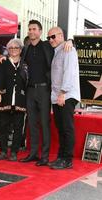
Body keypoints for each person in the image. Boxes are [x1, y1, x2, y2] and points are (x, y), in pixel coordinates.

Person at [20, 20, 73, 166]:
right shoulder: (25, 49)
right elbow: (15, 56)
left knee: (44, 123)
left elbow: (62, 44)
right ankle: (33, 154)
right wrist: (4, 58)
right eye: (29, 29)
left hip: (44, 90)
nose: (31, 31)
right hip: (30, 90)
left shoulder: (47, 46)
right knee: (32, 123)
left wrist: (71, 40)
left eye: (34, 29)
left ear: (40, 31)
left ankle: (44, 157)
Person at [47, 27, 80, 169]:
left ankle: (67, 159)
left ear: (61, 36)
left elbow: (69, 72)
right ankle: (61, 157)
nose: (50, 40)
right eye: (49, 38)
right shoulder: (56, 51)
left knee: (67, 128)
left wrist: (63, 93)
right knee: (60, 128)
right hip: (57, 97)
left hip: (66, 95)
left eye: (53, 36)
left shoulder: (68, 49)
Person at [0, 38, 28, 161]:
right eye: (11, 48)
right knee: (3, 126)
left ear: (20, 50)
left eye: (16, 47)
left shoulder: (25, 64)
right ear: (8, 50)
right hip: (5, 99)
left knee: (18, 127)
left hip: (20, 100)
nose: (14, 50)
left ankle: (14, 151)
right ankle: (3, 151)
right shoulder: (2, 63)